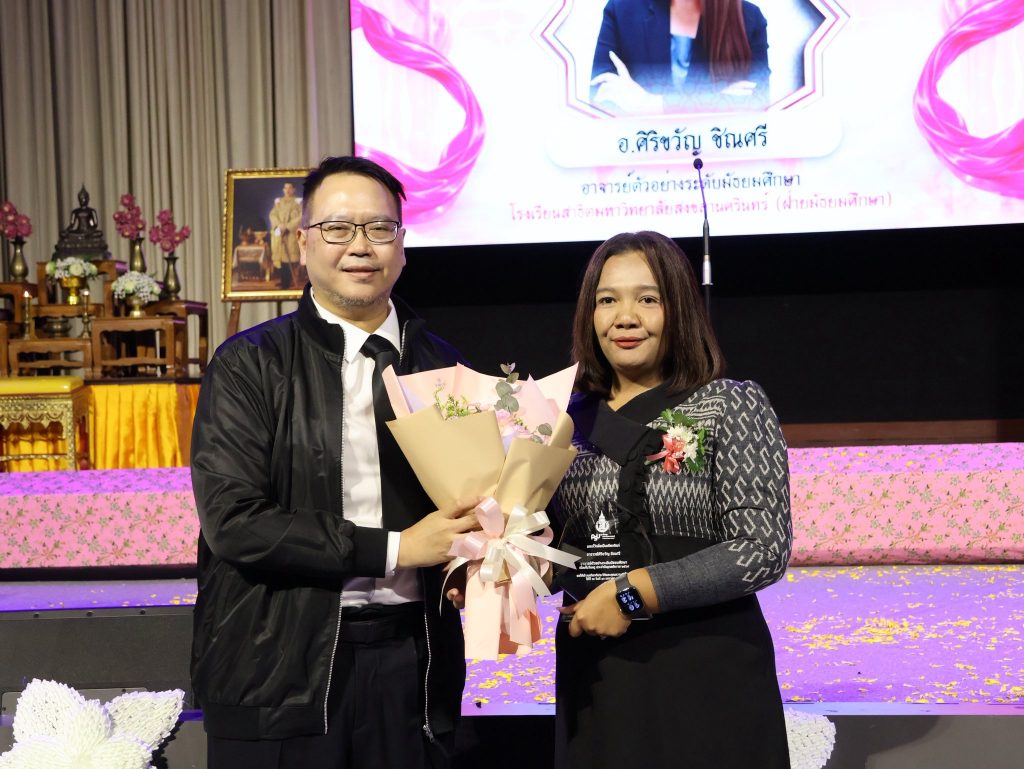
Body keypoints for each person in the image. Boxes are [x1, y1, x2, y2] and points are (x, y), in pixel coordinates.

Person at [190, 156, 480, 769]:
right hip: (277, 661)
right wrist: (398, 549)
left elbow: (472, 498)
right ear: (303, 243)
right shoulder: (249, 365)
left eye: (380, 228)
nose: (361, 246)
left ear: (402, 244)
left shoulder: (445, 366)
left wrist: (482, 553)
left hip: (413, 662)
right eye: (338, 228)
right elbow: (234, 522)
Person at [551, 231, 792, 769]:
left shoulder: (730, 404)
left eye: (648, 299)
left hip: (707, 671)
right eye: (607, 300)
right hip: (599, 677)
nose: (625, 317)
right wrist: (494, 569)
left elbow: (761, 550)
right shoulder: (563, 422)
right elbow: (555, 547)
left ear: (678, 308)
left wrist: (632, 594)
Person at [591, 0, 770, 113]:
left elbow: (755, 106)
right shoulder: (621, 10)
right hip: (640, 154)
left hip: (717, 157)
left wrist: (651, 105)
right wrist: (714, 100)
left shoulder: (749, 19)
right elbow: (602, 97)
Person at [269, 181, 302, 287]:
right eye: (285, 188)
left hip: (291, 233)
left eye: (290, 188)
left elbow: (301, 216)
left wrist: (288, 226)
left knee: (290, 257)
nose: (287, 190)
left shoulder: (298, 202)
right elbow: (273, 214)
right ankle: (284, 280)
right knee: (281, 257)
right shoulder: (279, 202)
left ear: (293, 190)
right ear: (283, 190)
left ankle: (289, 281)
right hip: (280, 232)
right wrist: (279, 225)